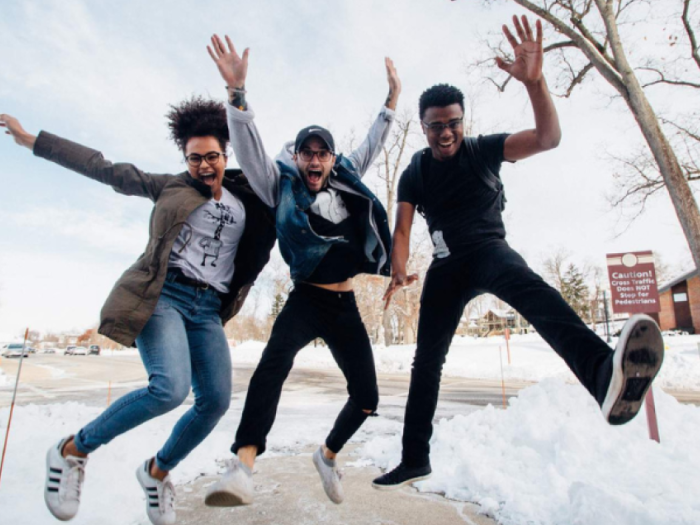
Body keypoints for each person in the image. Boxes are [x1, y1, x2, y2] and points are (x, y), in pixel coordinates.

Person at [372, 15, 665, 490]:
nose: (445, 134)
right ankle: (414, 457)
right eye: (434, 127)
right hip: (446, 269)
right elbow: (401, 227)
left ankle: (602, 374)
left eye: (452, 124)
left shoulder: (484, 149)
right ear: (422, 126)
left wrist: (535, 83)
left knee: (536, 294)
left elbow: (548, 138)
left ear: (462, 121)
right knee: (427, 361)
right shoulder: (416, 171)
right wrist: (399, 269)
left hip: (489, 250)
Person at [0, 97, 276, 524]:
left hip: (207, 309)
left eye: (212, 157)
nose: (204, 166)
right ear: (185, 159)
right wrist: (33, 140)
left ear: (227, 154)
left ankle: (156, 471)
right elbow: (103, 167)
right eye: (194, 158)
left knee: (216, 401)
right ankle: (72, 450)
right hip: (162, 295)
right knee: (169, 389)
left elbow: (284, 184)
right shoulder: (170, 186)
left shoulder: (250, 198)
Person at [203, 34, 399, 505]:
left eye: (321, 153)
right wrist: (237, 97)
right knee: (271, 368)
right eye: (307, 153)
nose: (314, 160)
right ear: (298, 158)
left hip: (344, 301)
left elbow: (373, 143)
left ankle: (327, 455)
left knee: (368, 396)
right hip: (306, 298)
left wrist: (392, 101)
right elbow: (249, 152)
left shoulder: (347, 176)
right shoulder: (280, 186)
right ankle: (243, 465)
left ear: (331, 159)